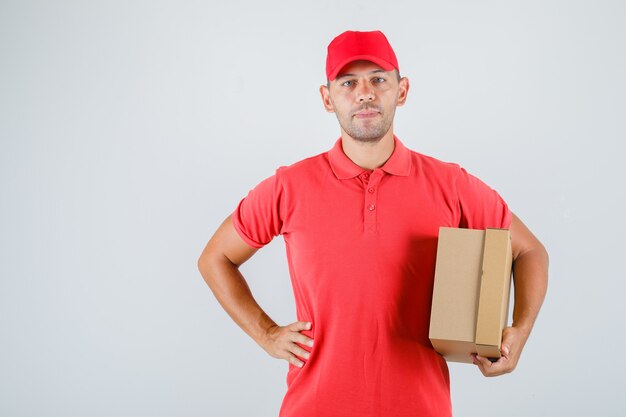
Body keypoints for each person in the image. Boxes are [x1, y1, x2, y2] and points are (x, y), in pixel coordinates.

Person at [197, 30, 548, 417]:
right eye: (349, 83)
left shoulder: (450, 184)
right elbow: (215, 258)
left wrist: (520, 330)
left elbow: (529, 250)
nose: (365, 92)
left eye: (378, 79)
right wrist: (266, 333)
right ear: (327, 98)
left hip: (420, 407)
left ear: (402, 90)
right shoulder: (289, 187)